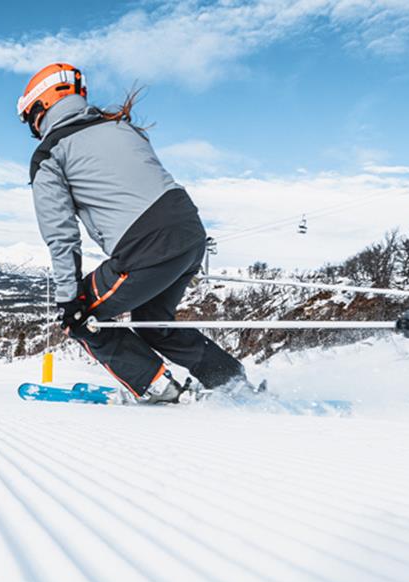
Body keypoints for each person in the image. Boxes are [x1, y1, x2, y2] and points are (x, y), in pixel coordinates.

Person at [19, 62, 247, 404]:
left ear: (42, 106)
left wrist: (69, 302)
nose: (34, 129)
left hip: (146, 248)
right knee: (153, 322)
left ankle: (160, 388)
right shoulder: (120, 127)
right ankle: (232, 382)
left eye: (30, 120)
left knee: (82, 318)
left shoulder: (51, 152)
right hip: (189, 233)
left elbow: (61, 235)